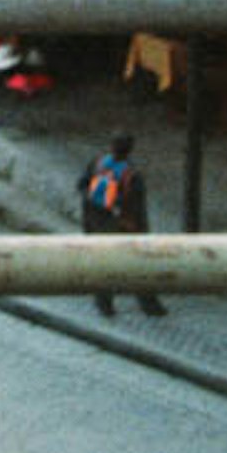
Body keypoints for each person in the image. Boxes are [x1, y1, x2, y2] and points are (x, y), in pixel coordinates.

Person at [81, 130, 164, 317]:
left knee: (105, 264)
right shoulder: (132, 175)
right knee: (139, 264)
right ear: (130, 150)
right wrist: (143, 232)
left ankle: (104, 303)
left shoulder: (97, 163)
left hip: (97, 222)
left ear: (111, 146)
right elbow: (138, 208)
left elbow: (83, 188)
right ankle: (149, 303)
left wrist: (88, 223)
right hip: (123, 225)